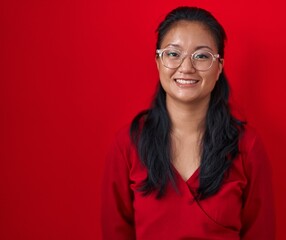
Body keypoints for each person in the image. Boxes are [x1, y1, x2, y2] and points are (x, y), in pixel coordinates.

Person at [101, 6, 275, 240]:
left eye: (201, 56)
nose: (186, 67)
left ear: (219, 67)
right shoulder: (128, 144)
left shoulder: (247, 147)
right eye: (173, 54)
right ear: (157, 61)